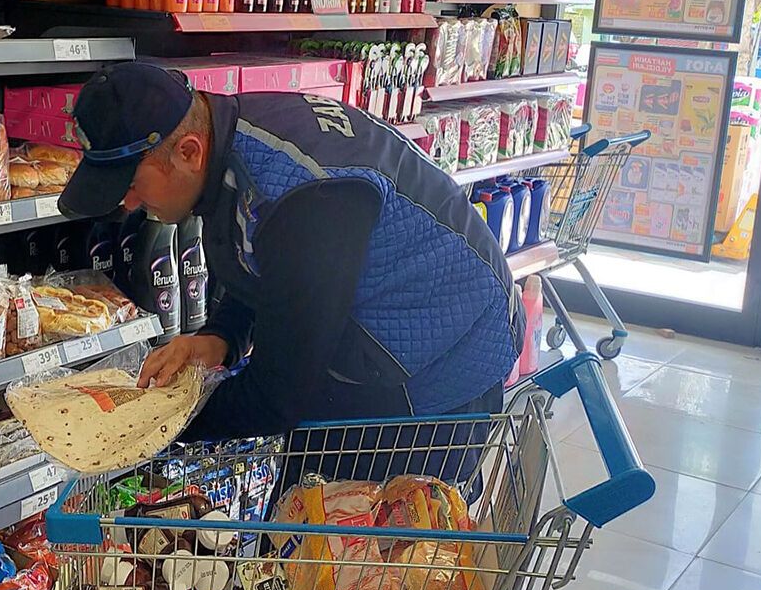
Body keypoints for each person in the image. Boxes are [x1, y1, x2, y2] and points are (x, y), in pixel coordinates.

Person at [59, 63, 523, 451]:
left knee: (371, 525)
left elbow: (278, 396)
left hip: (445, 361)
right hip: (377, 332)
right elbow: (266, 270)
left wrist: (149, 423)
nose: (128, 204)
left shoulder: (307, 200)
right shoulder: (229, 140)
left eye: (132, 184)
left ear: (189, 152)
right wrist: (218, 339)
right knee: (307, 508)